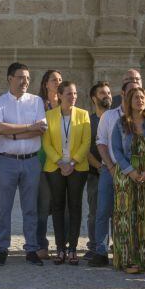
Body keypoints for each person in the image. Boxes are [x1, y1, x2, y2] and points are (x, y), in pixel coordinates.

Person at [0, 62, 47, 267]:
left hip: (31, 161)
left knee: (30, 207)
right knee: (3, 207)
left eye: (28, 78)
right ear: (10, 79)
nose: (25, 81)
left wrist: (13, 133)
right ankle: (2, 248)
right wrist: (27, 128)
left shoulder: (36, 101)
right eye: (21, 77)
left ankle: (31, 248)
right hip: (5, 160)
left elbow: (41, 129)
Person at [88, 77, 138, 267]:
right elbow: (100, 142)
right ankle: (100, 251)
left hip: (133, 172)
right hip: (111, 170)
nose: (135, 94)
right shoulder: (109, 116)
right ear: (123, 94)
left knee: (127, 213)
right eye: (131, 90)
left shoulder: (141, 116)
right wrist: (109, 166)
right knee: (102, 211)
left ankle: (123, 251)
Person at [110, 87, 145, 275]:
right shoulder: (121, 124)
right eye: (136, 98)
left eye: (142, 97)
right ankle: (129, 260)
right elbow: (116, 150)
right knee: (127, 219)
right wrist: (130, 171)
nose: (140, 100)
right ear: (129, 102)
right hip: (126, 177)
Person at [42, 81, 90, 265]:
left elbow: (86, 142)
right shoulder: (49, 115)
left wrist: (72, 162)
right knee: (58, 207)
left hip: (77, 167)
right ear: (60, 95)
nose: (73, 97)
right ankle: (60, 248)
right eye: (69, 94)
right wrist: (60, 162)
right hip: (55, 167)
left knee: (75, 207)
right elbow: (46, 143)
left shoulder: (83, 115)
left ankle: (73, 249)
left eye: (75, 93)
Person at [37, 69, 63, 259]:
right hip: (42, 159)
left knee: (64, 205)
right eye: (54, 80)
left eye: (60, 80)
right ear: (46, 83)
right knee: (43, 205)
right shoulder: (38, 104)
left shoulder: (66, 105)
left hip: (63, 161)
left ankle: (63, 244)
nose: (58, 82)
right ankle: (41, 244)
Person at [84, 81, 111, 260]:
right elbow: (85, 148)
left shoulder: (117, 117)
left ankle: (119, 245)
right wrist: (100, 167)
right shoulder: (88, 121)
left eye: (108, 92)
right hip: (96, 173)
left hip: (117, 171)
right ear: (94, 98)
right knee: (95, 212)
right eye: (102, 93)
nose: (107, 96)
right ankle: (95, 246)